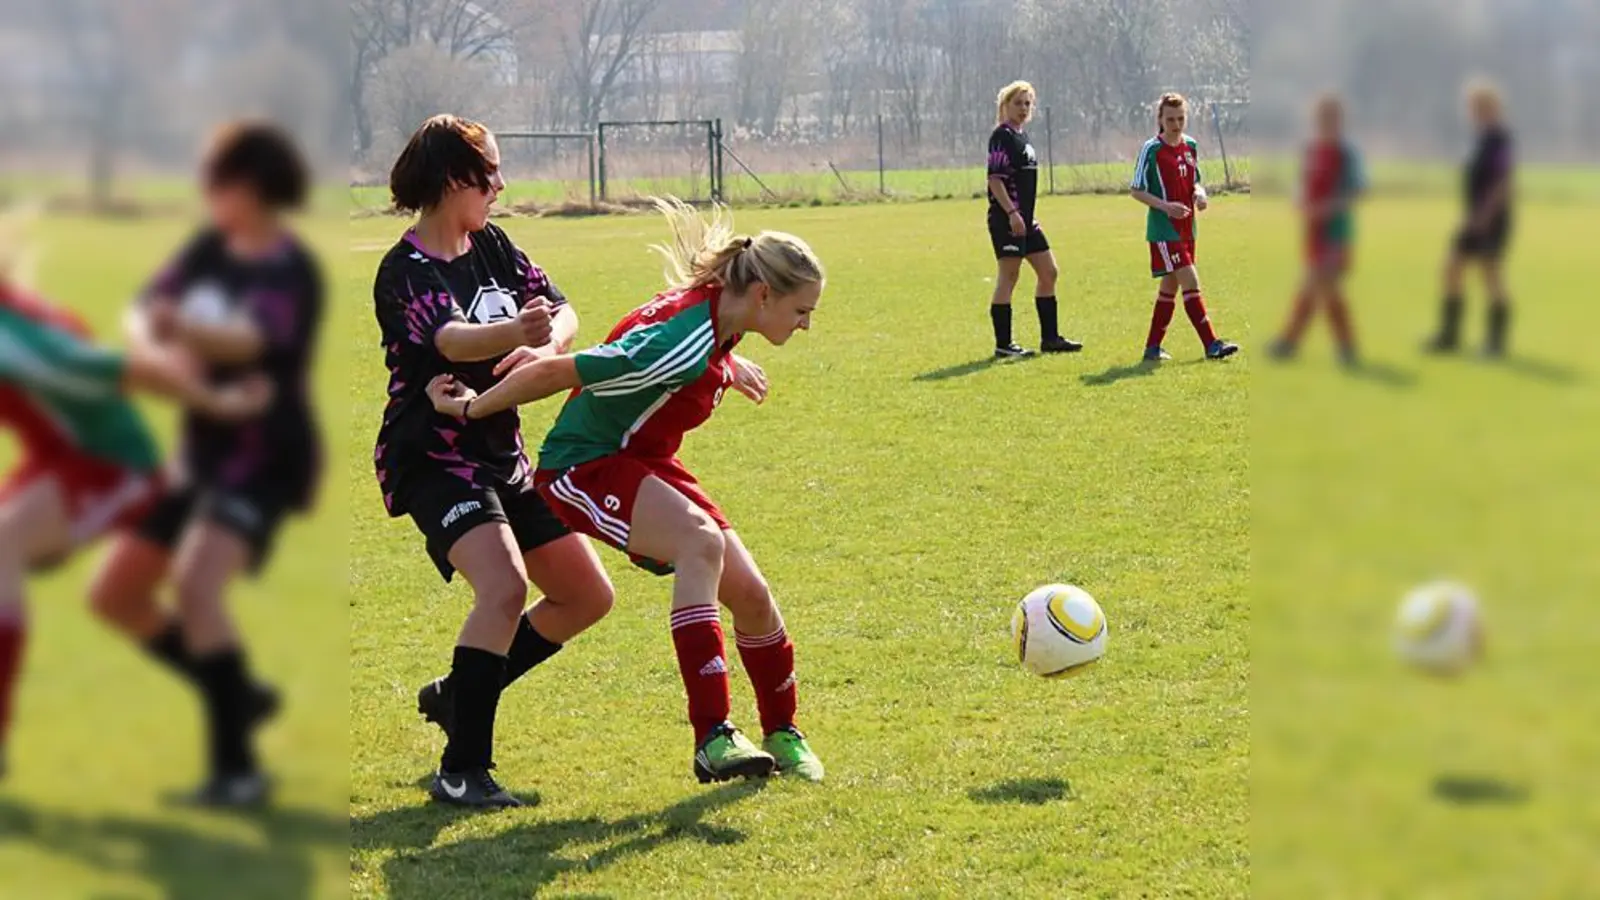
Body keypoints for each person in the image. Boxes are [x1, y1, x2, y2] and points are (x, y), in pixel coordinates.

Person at [424, 197, 827, 786]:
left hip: (643, 460)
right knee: (700, 543)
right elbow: (557, 370)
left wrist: (726, 366)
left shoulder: (721, 314)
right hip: (583, 465)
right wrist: (470, 407)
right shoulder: (680, 342)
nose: (806, 324)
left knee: (752, 594)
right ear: (764, 294)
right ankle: (713, 736)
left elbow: (695, 345)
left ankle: (783, 731)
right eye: (802, 311)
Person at [371, 114, 615, 809]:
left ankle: (461, 694)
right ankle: (462, 771)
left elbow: (562, 310)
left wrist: (545, 343)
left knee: (586, 595)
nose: (501, 185)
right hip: (433, 455)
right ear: (455, 179)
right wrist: (516, 330)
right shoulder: (404, 270)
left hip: (500, 450)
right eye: (490, 174)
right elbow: (451, 341)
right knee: (504, 587)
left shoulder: (494, 243)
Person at [86, 120, 324, 806]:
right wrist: (165, 349)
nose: (207, 192)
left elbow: (250, 341)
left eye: (217, 180)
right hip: (200, 455)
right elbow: (141, 316)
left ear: (250, 187)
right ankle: (236, 693)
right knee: (116, 595)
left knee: (196, 586)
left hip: (263, 457)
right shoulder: (205, 250)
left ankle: (237, 772)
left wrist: (178, 331)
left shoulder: (290, 269)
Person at [0, 217, 273, 781]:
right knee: (115, 600)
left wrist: (220, 404)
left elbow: (126, 370)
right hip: (55, 461)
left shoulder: (14, 338)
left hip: (108, 465)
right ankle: (235, 693)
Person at [1129, 92, 1239, 362]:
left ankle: (1152, 348)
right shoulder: (1152, 149)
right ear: (1160, 119)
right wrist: (1166, 207)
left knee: (1170, 286)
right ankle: (1211, 344)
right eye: (1170, 119)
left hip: (1188, 229)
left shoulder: (1190, 145)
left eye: (1181, 118)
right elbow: (1136, 190)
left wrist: (1200, 194)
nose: (1176, 125)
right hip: (1164, 230)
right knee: (1190, 280)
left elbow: (1195, 181)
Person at [1269, 93, 1367, 364]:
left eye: (1332, 118)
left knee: (1321, 285)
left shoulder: (1346, 154)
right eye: (1323, 118)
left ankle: (1292, 342)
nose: (1327, 123)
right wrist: (1299, 200)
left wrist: (1327, 208)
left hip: (1336, 232)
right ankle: (1337, 346)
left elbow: (1358, 190)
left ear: (1340, 120)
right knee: (1318, 288)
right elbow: (1304, 184)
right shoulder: (1312, 150)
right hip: (1313, 231)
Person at [986, 80, 1081, 359]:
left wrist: (1026, 216)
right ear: (1005, 105)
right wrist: (1012, 213)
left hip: (1027, 221)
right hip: (1007, 220)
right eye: (1018, 103)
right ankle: (1004, 344)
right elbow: (995, 180)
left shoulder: (1022, 136)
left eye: (1028, 104)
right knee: (1009, 276)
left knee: (1049, 272)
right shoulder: (1002, 136)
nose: (1023, 108)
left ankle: (1050, 338)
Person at [1426, 78, 1515, 356]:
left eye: (1479, 105)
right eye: (1471, 106)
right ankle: (1449, 336)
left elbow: (1503, 180)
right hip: (1472, 216)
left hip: (1491, 217)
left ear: (1493, 106)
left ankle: (1495, 343)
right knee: (1451, 267)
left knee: (1490, 274)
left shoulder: (1500, 138)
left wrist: (1485, 215)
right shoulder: (1479, 138)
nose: (1474, 111)